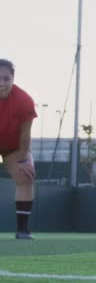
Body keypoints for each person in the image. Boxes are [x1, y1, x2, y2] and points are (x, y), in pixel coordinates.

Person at [0, 59, 37, 240]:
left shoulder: (24, 101)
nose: (2, 83)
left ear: (13, 79)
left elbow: (25, 134)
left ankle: (22, 230)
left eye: (6, 79)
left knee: (26, 176)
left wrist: (23, 159)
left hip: (13, 145)